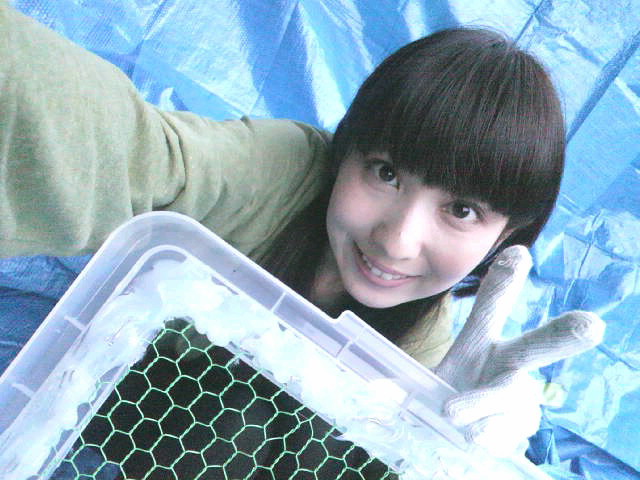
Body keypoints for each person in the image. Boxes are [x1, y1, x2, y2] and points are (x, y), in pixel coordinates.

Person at [0, 0, 603, 464]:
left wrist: (449, 450)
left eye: (463, 210)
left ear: (505, 239)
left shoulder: (426, 354)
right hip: (93, 387)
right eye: (386, 172)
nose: (396, 241)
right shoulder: (281, 174)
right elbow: (130, 153)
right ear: (345, 151)